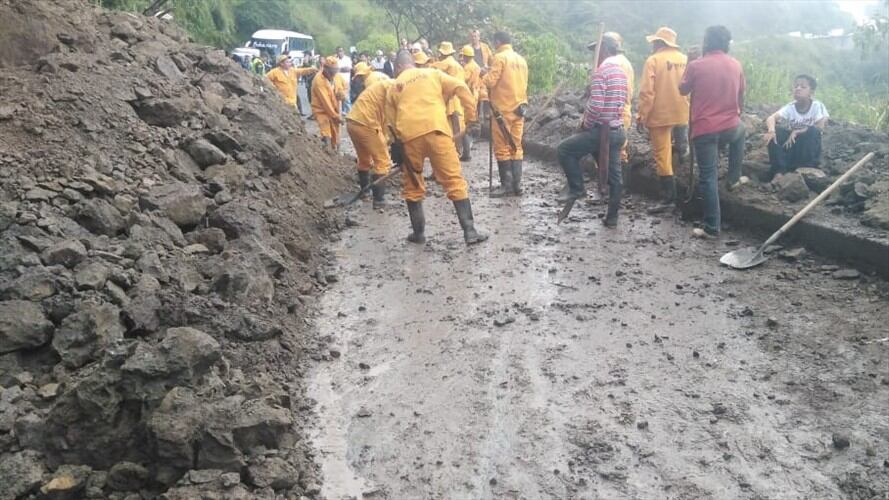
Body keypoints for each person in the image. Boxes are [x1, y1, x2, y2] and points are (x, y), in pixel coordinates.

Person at [384, 50, 486, 245]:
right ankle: (470, 231)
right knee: (454, 181)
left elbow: (389, 123)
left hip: (409, 137)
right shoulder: (433, 73)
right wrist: (472, 118)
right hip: (438, 131)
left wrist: (395, 144)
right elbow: (462, 88)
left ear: (397, 67)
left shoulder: (394, 86)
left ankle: (419, 233)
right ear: (413, 63)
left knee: (413, 186)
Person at [679, 25, 746, 238]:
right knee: (741, 131)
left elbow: (683, 89)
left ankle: (712, 227)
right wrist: (735, 115)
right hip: (730, 126)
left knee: (708, 177)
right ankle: (734, 178)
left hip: (705, 130)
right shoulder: (736, 65)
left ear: (706, 42)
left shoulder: (697, 65)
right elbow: (741, 96)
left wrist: (690, 61)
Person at [556, 36, 627, 227]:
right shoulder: (621, 72)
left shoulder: (601, 72)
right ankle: (612, 217)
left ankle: (577, 188)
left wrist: (586, 124)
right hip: (617, 130)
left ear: (602, 50)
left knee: (564, 150)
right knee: (615, 177)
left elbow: (596, 106)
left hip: (601, 132)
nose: (593, 56)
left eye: (595, 51)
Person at [637, 27, 689, 206]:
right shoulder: (685, 59)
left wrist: (642, 116)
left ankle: (669, 196)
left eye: (654, 42)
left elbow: (646, 93)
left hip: (660, 114)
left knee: (662, 154)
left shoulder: (654, 60)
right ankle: (682, 155)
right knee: (678, 142)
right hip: (682, 112)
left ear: (659, 43)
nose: (652, 45)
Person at [482, 31, 529, 197]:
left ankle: (506, 186)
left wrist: (483, 75)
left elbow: (491, 80)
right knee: (516, 146)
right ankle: (518, 186)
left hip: (503, 110)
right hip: (520, 108)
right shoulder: (521, 60)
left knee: (502, 148)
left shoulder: (500, 57)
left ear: (497, 42)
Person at [762, 74, 829, 182]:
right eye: (796, 86)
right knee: (777, 132)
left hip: (808, 151)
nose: (798, 89)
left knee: (812, 131)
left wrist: (797, 131)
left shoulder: (817, 106)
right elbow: (771, 118)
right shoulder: (791, 107)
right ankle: (780, 171)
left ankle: (806, 170)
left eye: (803, 87)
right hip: (792, 147)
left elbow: (820, 127)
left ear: (811, 92)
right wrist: (771, 131)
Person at [347, 77, 395, 209]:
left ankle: (365, 192)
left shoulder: (377, 91)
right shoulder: (393, 87)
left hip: (352, 122)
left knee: (364, 160)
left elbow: (385, 122)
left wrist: (388, 140)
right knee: (383, 161)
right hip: (366, 124)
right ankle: (379, 200)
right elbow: (393, 118)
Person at [587, 32, 633, 163]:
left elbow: (604, 99)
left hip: (613, 115)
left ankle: (612, 182)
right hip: (620, 112)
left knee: (613, 155)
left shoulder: (612, 64)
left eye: (598, 50)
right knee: (613, 154)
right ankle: (611, 182)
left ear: (605, 49)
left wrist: (588, 124)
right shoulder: (622, 62)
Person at [433, 42, 468, 157]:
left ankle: (456, 152)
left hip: (451, 99)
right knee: (458, 127)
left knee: (452, 128)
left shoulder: (446, 64)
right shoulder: (457, 65)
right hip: (459, 98)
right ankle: (461, 152)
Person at [460, 45, 486, 161]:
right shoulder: (476, 66)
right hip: (476, 96)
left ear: (465, 56)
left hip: (468, 97)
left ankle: (466, 153)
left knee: (466, 126)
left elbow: (461, 81)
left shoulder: (467, 68)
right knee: (472, 124)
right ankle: (468, 148)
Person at [311, 56, 343, 150]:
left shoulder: (336, 76)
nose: (333, 74)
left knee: (335, 132)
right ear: (325, 69)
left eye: (335, 71)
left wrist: (342, 93)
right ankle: (327, 149)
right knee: (326, 132)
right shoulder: (319, 81)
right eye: (332, 72)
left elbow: (344, 85)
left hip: (334, 109)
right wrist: (336, 116)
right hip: (322, 110)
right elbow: (325, 102)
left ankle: (334, 150)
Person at [335, 47, 353, 114]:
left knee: (346, 98)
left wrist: (339, 69)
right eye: (338, 51)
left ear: (343, 51)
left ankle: (350, 113)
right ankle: (342, 112)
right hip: (337, 82)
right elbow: (334, 69)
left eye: (341, 51)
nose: (340, 52)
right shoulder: (335, 60)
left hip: (346, 81)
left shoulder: (347, 59)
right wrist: (341, 69)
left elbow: (348, 69)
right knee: (338, 98)